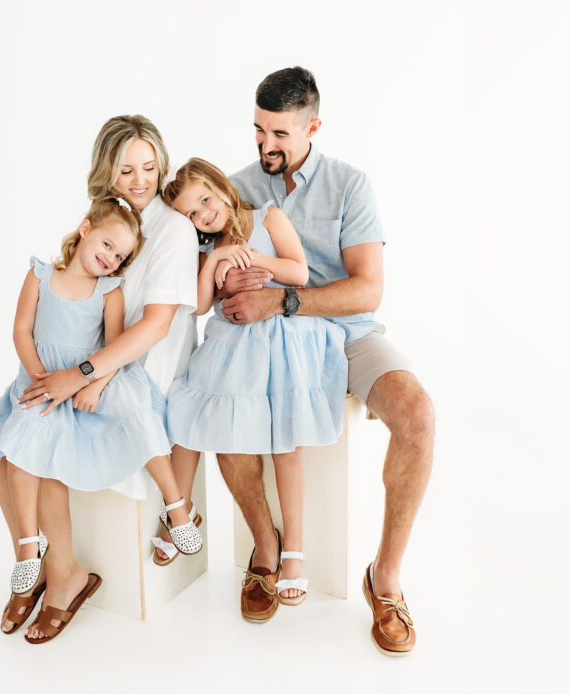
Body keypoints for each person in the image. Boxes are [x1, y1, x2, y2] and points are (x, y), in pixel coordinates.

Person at [218, 67, 434, 653]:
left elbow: (367, 291)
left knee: (416, 415)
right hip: (265, 342)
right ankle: (267, 549)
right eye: (259, 131)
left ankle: (383, 581)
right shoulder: (235, 188)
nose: (266, 145)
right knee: (217, 401)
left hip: (347, 333)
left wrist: (286, 300)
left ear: (313, 127)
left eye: (280, 134)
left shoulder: (349, 184)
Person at [0, 196, 202, 643]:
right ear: (84, 228)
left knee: (138, 413)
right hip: (43, 380)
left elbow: (112, 348)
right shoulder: (41, 274)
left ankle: (177, 508)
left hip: (89, 376)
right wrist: (41, 377)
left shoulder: (109, 290)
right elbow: (21, 329)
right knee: (19, 447)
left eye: (120, 256)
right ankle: (28, 549)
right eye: (107, 244)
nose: (111, 258)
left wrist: (92, 384)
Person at [161, 158, 347, 609]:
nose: (203, 215)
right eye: (191, 214)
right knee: (185, 412)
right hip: (233, 345)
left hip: (281, 338)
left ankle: (295, 552)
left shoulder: (268, 216)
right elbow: (200, 306)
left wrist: (254, 259)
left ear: (221, 189)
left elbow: (299, 273)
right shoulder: (207, 249)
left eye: (205, 201)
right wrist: (217, 262)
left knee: (286, 441)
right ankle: (180, 513)